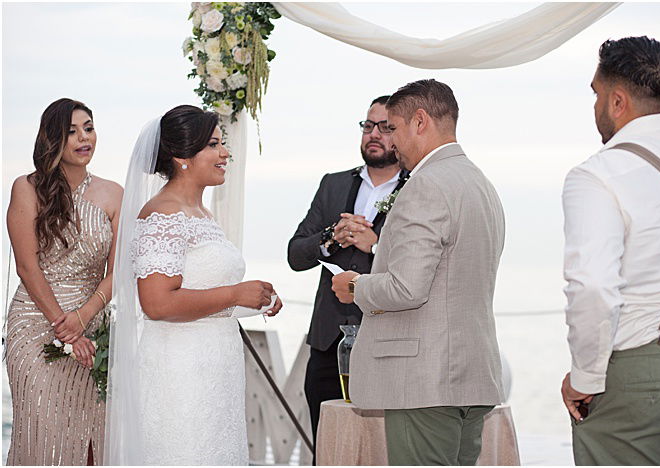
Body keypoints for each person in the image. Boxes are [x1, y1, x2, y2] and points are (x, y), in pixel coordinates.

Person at [332, 79, 505, 465]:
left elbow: (407, 288)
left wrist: (356, 285)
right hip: (471, 377)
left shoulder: (426, 184)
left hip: (425, 382)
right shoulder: (480, 183)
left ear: (420, 121)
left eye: (392, 128)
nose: (390, 142)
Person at [104, 105, 282, 465]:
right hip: (180, 372)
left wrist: (253, 299)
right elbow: (157, 303)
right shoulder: (162, 215)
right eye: (214, 145)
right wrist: (235, 293)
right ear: (183, 158)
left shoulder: (200, 214)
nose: (225, 153)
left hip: (217, 369)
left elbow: (202, 292)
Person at [560, 36, 660, 465]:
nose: (596, 107)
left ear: (618, 101)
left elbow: (595, 286)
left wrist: (584, 377)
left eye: (597, 95)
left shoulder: (599, 175)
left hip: (645, 379)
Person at [287, 95, 409, 458]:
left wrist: (376, 245)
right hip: (328, 343)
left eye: (386, 128)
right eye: (368, 125)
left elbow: (419, 265)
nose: (375, 134)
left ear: (402, 133)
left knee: (381, 453)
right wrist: (331, 238)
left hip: (387, 343)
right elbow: (295, 254)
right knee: (326, 451)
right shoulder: (333, 184)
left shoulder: (417, 188)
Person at [5, 98, 123, 465]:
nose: (83, 138)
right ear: (52, 139)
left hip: (93, 328)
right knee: (42, 436)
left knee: (91, 441)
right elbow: (27, 267)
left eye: (88, 128)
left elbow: (116, 273)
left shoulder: (114, 194)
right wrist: (65, 326)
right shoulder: (27, 188)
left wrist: (84, 318)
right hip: (36, 326)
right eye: (71, 132)